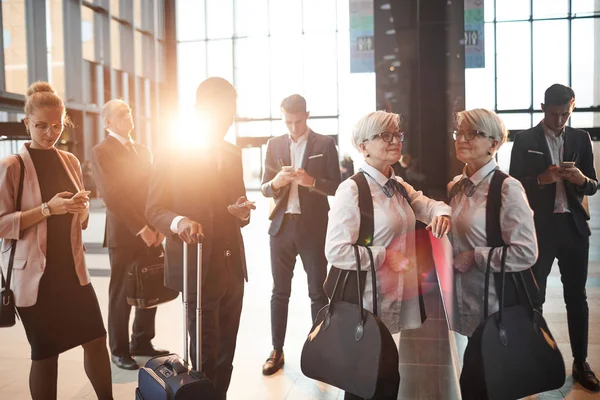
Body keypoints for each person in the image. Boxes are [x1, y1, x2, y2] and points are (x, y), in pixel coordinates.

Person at [325, 110, 451, 399]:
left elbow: (425, 204)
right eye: (384, 135)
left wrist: (442, 212)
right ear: (363, 147)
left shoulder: (396, 186)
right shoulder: (353, 190)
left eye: (397, 134)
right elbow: (336, 250)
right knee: (366, 381)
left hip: (393, 297)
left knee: (383, 378)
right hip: (366, 302)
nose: (395, 140)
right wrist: (385, 257)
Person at [0, 82, 112, 399]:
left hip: (73, 273)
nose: (50, 133)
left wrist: (81, 208)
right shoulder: (12, 167)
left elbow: (81, 219)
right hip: (35, 279)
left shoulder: (70, 161)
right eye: (41, 126)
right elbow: (1, 225)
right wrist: (48, 209)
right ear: (26, 124)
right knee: (46, 355)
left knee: (95, 339)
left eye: (57, 125)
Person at [146, 77, 254, 400]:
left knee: (227, 352)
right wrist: (179, 222)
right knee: (204, 353)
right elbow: (154, 209)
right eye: (222, 114)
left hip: (232, 266)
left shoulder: (232, 153)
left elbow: (237, 204)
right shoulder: (172, 151)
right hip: (197, 266)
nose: (227, 121)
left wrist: (242, 212)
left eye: (231, 114)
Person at [509, 84, 599, 392]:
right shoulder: (524, 140)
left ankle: (581, 362)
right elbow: (514, 187)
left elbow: (593, 185)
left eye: (565, 114)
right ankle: (532, 361)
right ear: (543, 107)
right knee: (534, 299)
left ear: (572, 107)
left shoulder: (581, 138)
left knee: (578, 298)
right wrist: (541, 179)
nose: (559, 120)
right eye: (553, 114)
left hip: (573, 228)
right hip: (538, 230)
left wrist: (581, 180)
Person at [447, 108, 538, 398]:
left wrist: (476, 256)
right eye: (459, 132)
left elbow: (525, 252)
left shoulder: (507, 188)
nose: (463, 138)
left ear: (494, 143)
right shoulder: (458, 187)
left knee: (481, 386)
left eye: (473, 133)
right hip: (468, 304)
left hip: (496, 307)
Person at [260, 94, 341, 375]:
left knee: (318, 292)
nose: (293, 127)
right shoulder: (273, 145)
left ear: (307, 115)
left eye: (297, 121)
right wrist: (276, 182)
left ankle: (320, 352)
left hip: (313, 227)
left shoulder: (325, 144)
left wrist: (311, 182)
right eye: (287, 122)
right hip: (281, 227)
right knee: (279, 292)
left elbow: (336, 187)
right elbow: (264, 188)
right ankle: (276, 350)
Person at [91, 99, 169, 370]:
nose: (128, 117)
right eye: (122, 114)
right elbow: (113, 196)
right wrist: (142, 228)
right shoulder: (102, 151)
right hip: (125, 234)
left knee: (149, 285)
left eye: (129, 113)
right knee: (122, 293)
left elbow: (154, 188)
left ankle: (142, 341)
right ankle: (119, 350)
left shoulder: (143, 150)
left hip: (151, 230)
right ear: (108, 122)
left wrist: (157, 226)